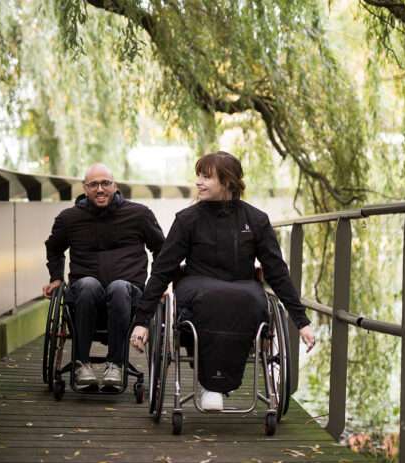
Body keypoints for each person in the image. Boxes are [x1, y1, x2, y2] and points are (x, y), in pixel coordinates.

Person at [130, 151, 315, 411]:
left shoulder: (256, 220)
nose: (198, 182)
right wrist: (142, 321)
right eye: (198, 176)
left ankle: (216, 384)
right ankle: (210, 384)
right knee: (211, 298)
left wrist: (301, 320)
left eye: (206, 177)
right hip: (196, 286)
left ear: (228, 182)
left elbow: (277, 272)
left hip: (243, 287)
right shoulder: (187, 220)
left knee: (250, 299)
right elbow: (162, 270)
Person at [43, 164, 164, 389]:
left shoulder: (139, 214)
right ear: (85, 188)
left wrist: (158, 284)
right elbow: (54, 248)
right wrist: (56, 278)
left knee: (119, 287)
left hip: (129, 295)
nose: (100, 189)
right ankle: (82, 364)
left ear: (115, 186)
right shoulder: (69, 218)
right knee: (88, 285)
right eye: (94, 185)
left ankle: (115, 365)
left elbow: (162, 250)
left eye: (105, 183)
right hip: (85, 296)